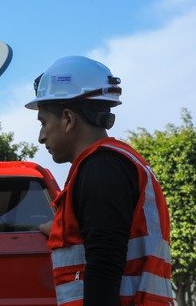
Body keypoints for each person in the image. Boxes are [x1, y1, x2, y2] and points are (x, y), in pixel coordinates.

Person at [25, 56, 174, 305]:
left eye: (43, 122)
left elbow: (104, 265)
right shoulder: (112, 165)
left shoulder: (101, 170)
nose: (41, 136)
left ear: (68, 119)